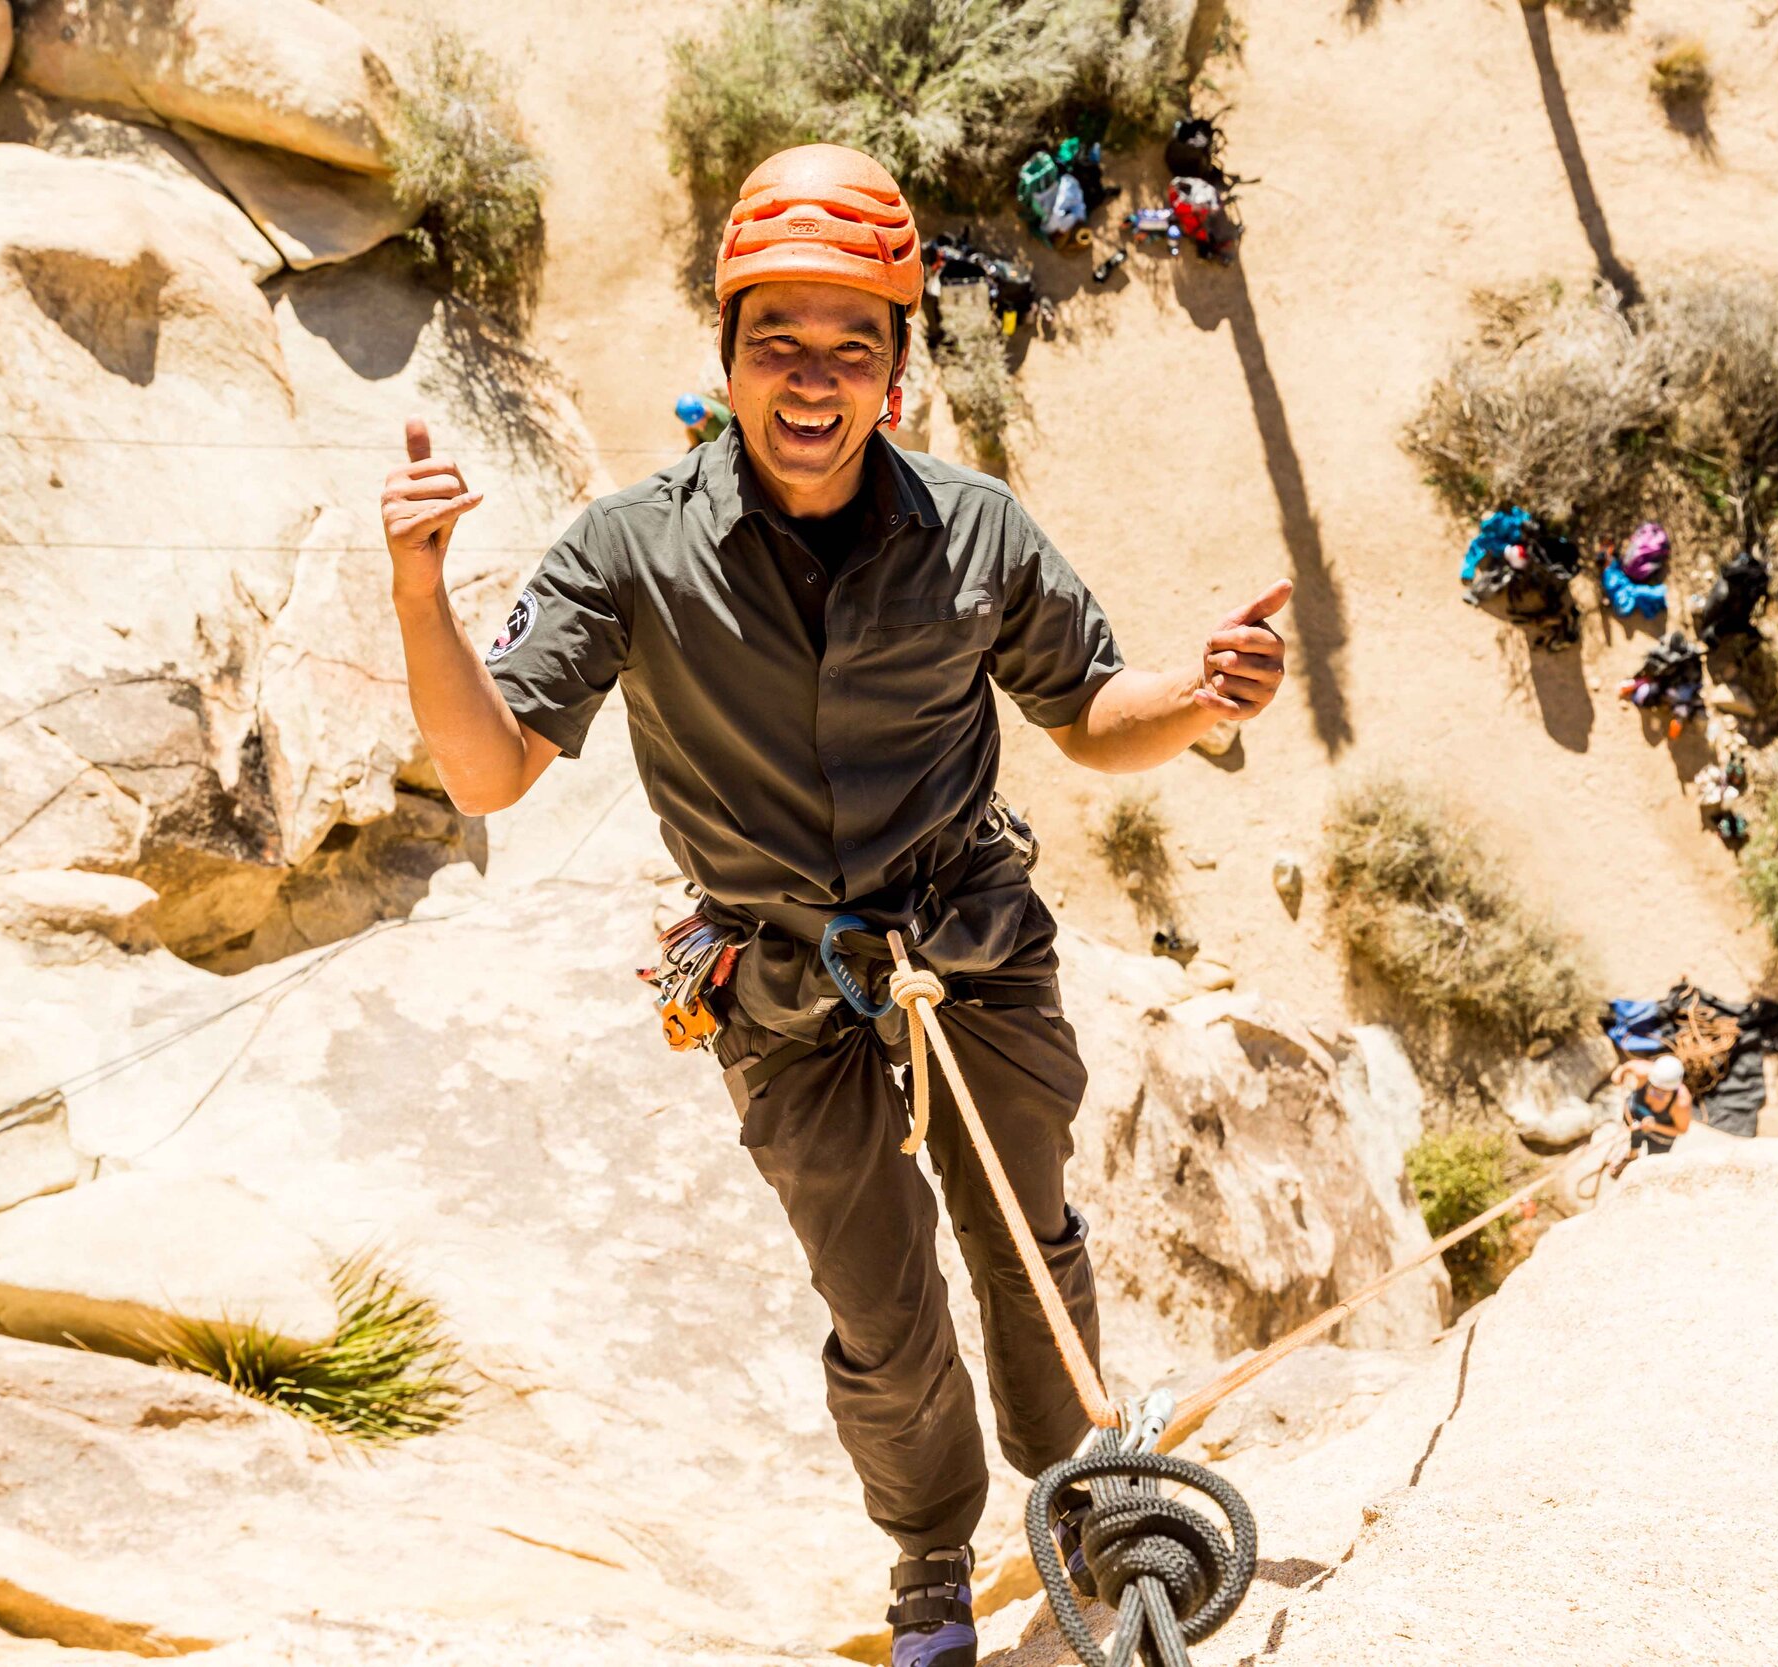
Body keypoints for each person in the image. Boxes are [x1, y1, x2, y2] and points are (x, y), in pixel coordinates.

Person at [380, 143, 1290, 1667]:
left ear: (898, 371)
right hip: (778, 979)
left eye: (851, 348)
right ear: (727, 352)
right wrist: (420, 596)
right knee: (878, 1300)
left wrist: (1196, 695)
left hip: (970, 943)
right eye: (777, 344)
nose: (812, 381)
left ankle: (1075, 1479)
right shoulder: (629, 551)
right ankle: (931, 1554)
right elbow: (488, 770)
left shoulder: (974, 531)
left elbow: (1087, 714)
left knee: (1028, 1232)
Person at [1605, 1054, 1695, 1178]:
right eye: (1655, 1087)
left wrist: (1654, 1127)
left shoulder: (1681, 1103)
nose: (1657, 1093)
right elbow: (1628, 1066)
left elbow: (1681, 1130)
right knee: (1635, 1137)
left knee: (1654, 1160)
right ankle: (1631, 1156)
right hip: (1638, 1121)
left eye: (1664, 1091)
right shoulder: (1644, 1073)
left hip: (1661, 1135)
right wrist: (1619, 1075)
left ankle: (1648, 1174)